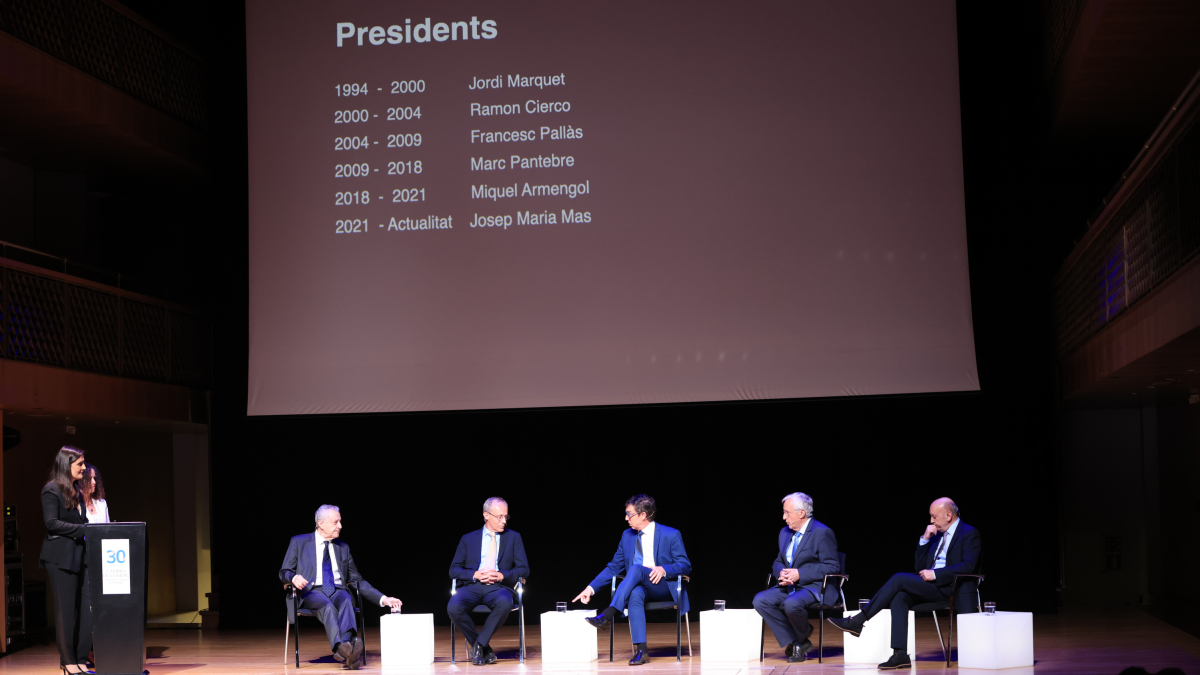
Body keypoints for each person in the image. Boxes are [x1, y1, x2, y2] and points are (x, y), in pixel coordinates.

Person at [827, 497, 981, 670]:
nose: (931, 521)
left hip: (954, 587)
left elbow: (968, 565)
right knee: (899, 597)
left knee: (899, 578)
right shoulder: (937, 536)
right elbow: (919, 567)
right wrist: (924, 538)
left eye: (934, 516)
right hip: (933, 587)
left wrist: (936, 574)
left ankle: (858, 620)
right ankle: (900, 654)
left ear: (948, 515)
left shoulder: (969, 533)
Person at [573, 494, 692, 666]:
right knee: (635, 593)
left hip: (663, 586)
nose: (626, 518)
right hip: (639, 587)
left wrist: (664, 569)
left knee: (636, 569)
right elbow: (613, 567)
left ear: (643, 514)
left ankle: (608, 614)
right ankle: (641, 650)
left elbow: (685, 565)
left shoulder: (670, 534)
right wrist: (590, 588)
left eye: (629, 514)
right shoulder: (627, 536)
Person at [279, 505, 402, 670]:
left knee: (345, 599)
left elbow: (357, 580)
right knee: (327, 605)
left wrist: (383, 599)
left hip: (338, 590)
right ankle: (345, 645)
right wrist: (293, 577)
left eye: (340, 521)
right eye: (336, 522)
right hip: (311, 591)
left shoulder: (343, 548)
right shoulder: (299, 542)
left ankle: (344, 649)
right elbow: (284, 572)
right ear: (321, 523)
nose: (340, 526)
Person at [751, 492, 840, 663]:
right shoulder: (784, 533)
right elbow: (778, 561)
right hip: (789, 585)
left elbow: (832, 566)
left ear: (801, 513)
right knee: (760, 600)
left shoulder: (822, 532)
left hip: (814, 585)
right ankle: (800, 639)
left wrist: (800, 574)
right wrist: (781, 573)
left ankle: (799, 642)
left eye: (787, 512)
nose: (784, 517)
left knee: (791, 604)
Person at [447, 497, 530, 666]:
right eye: (499, 517)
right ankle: (484, 648)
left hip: (499, 588)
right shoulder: (468, 539)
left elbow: (524, 569)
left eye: (506, 517)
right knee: (453, 607)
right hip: (472, 586)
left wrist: (502, 575)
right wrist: (475, 574)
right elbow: (453, 570)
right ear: (486, 515)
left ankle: (478, 645)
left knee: (505, 602)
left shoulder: (514, 537)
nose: (504, 521)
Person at [40, 446, 93, 675]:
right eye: (79, 464)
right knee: (67, 610)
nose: (84, 467)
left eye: (83, 463)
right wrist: (83, 529)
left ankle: (81, 659)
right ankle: (68, 661)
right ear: (66, 464)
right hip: (60, 557)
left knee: (86, 609)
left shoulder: (76, 491)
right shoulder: (51, 490)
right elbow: (51, 522)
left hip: (80, 556)